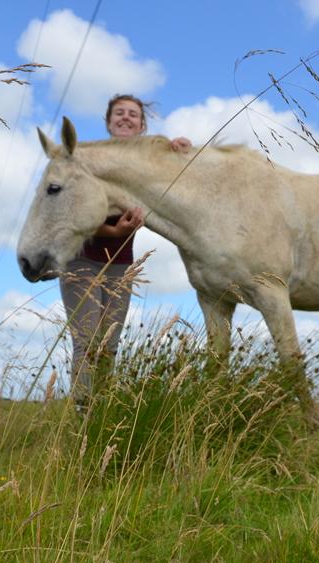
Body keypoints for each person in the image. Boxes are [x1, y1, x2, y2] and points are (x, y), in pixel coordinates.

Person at [59, 94, 191, 408]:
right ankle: (82, 413)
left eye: (133, 114)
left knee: (110, 345)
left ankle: (102, 412)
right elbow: (70, 212)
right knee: (88, 341)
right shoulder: (90, 159)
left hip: (120, 266)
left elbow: (174, 192)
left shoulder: (146, 165)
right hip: (81, 261)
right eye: (119, 113)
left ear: (142, 125)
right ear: (108, 122)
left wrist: (180, 150)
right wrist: (113, 231)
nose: (126, 118)